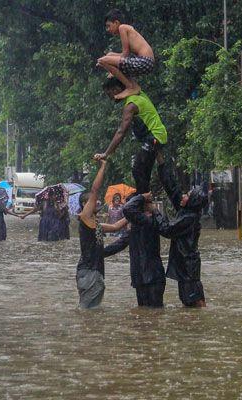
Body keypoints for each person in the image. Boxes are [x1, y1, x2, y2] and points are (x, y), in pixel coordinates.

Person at [94, 77, 168, 194]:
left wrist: (106, 153)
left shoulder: (131, 104)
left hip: (154, 137)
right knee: (150, 170)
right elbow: (127, 77)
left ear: (117, 89)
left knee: (138, 170)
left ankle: (144, 202)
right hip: (157, 136)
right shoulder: (139, 93)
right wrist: (111, 70)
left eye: (110, 94)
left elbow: (121, 132)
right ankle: (147, 201)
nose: (111, 98)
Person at [153, 154, 208, 307]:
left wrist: (156, 212)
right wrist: (161, 161)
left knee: (194, 303)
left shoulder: (188, 218)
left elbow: (166, 230)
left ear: (192, 201)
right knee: (188, 303)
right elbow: (172, 187)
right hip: (185, 267)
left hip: (188, 269)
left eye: (187, 195)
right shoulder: (186, 210)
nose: (183, 195)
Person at [76, 159, 128, 309]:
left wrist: (133, 212)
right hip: (90, 272)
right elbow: (94, 189)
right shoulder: (85, 218)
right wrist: (103, 166)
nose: (96, 202)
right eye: (92, 202)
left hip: (93, 272)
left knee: (91, 311)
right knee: (88, 312)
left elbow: (116, 226)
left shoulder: (96, 224)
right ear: (85, 206)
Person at [104, 193, 166, 307]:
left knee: (154, 313)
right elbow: (119, 244)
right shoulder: (137, 226)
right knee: (144, 315)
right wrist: (98, 254)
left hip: (152, 277)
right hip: (140, 277)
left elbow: (128, 209)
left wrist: (142, 198)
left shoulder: (150, 221)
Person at [96, 9, 155, 99]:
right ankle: (134, 86)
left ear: (116, 22)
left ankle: (130, 87)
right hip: (145, 62)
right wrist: (111, 61)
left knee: (103, 60)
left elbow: (125, 54)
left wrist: (112, 70)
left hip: (144, 61)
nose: (108, 30)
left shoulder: (122, 27)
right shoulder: (126, 29)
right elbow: (125, 55)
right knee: (109, 55)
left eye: (109, 26)